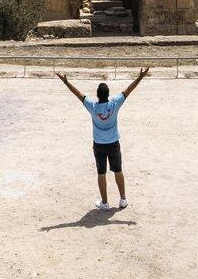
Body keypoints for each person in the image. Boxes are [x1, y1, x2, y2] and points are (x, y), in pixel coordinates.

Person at [57, 67, 148, 211]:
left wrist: (66, 81)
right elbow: (128, 90)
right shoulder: (114, 104)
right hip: (113, 144)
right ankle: (123, 199)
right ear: (108, 94)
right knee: (118, 171)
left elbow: (78, 94)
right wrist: (140, 77)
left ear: (97, 95)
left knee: (101, 173)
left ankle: (105, 202)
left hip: (99, 145)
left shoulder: (92, 106)